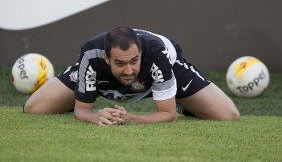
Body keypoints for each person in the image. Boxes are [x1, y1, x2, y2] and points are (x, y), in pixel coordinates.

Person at [24, 27, 240, 126]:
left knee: (228, 115)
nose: (128, 70)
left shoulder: (157, 54)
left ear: (141, 55)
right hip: (99, 80)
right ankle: (84, 91)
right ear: (107, 59)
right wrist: (95, 115)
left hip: (164, 72)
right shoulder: (91, 56)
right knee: (34, 108)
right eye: (120, 63)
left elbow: (168, 115)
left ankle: (179, 99)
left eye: (133, 61)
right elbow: (83, 110)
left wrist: (130, 119)